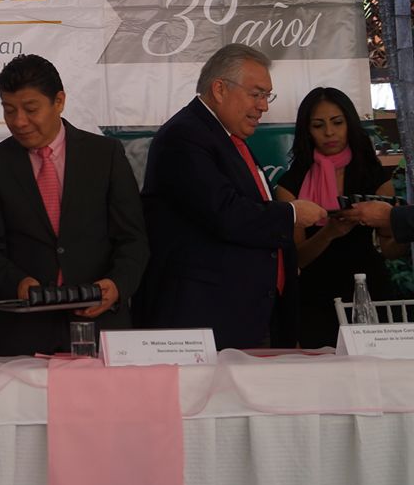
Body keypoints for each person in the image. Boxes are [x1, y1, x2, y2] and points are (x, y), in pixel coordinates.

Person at [138, 44, 325, 349]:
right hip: (206, 320)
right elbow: (225, 213)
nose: (263, 106)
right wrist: (291, 213)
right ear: (220, 89)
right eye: (256, 94)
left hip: (247, 314)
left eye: (267, 96)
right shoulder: (184, 136)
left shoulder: (226, 138)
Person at [0, 55, 149, 356]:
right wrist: (17, 283)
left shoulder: (105, 155)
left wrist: (116, 285)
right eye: (9, 110)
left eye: (31, 109)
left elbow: (133, 238)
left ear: (59, 101)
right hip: (23, 333)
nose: (19, 121)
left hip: (101, 325)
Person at [273, 87, 404, 347]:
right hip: (315, 298)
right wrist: (329, 233)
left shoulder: (376, 178)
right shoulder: (290, 184)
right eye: (318, 125)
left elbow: (391, 251)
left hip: (369, 292)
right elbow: (295, 259)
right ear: (306, 131)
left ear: (350, 124)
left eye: (337, 122)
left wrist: (394, 219)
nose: (329, 132)